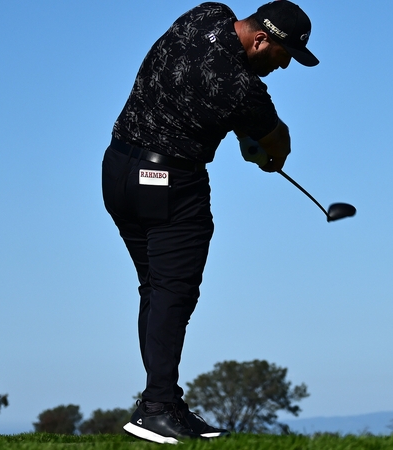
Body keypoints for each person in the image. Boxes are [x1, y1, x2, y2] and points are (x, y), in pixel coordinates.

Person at [101, 0, 319, 444]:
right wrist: (269, 153)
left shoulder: (206, 14)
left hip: (117, 169)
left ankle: (165, 403)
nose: (284, 68)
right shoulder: (244, 92)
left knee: (156, 289)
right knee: (172, 291)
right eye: (283, 56)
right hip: (169, 183)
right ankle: (157, 407)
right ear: (261, 40)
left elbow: (207, 74)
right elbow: (278, 140)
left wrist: (243, 133)